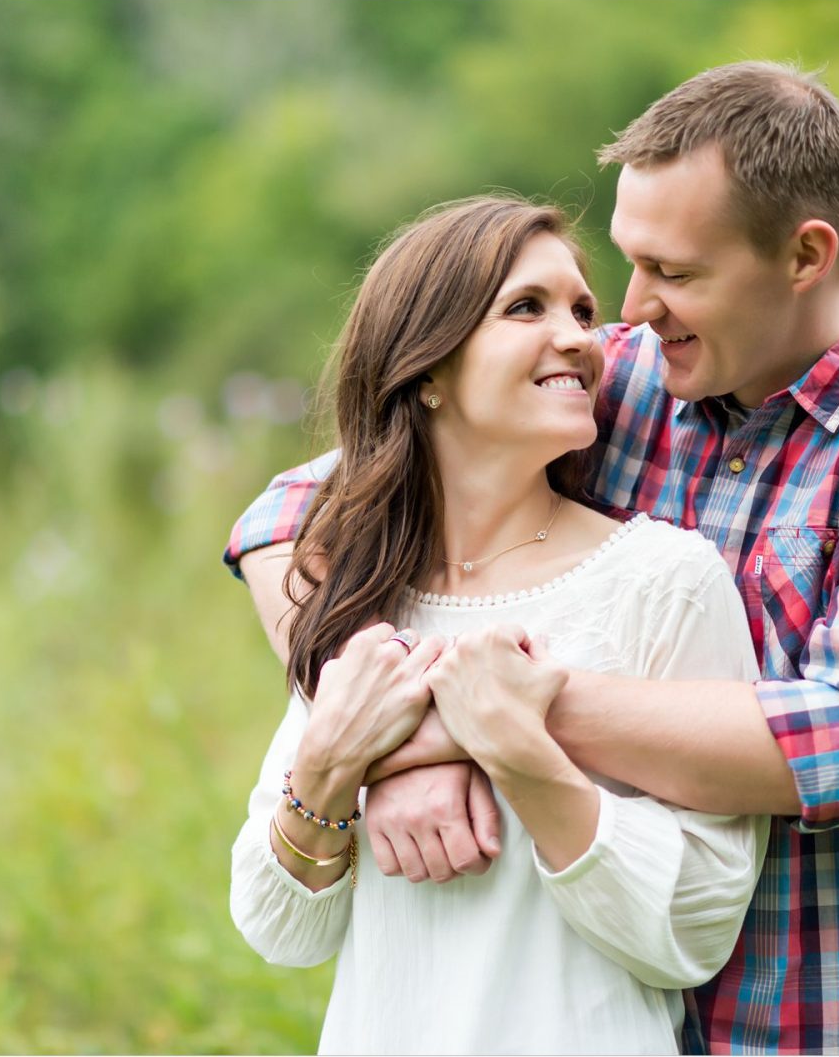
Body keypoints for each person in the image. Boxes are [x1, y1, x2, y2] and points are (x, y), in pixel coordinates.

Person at [226, 62, 839, 1054]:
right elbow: (286, 513)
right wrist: (369, 741)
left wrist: (478, 718)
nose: (631, 310)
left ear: (804, 255)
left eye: (676, 272)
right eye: (630, 265)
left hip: (808, 1010)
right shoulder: (616, 376)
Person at [228, 196, 769, 1055]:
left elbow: (694, 930)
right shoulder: (363, 598)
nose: (581, 338)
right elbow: (277, 925)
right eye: (528, 307)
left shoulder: (664, 582)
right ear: (428, 370)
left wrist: (518, 753)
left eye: (582, 311)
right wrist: (334, 764)